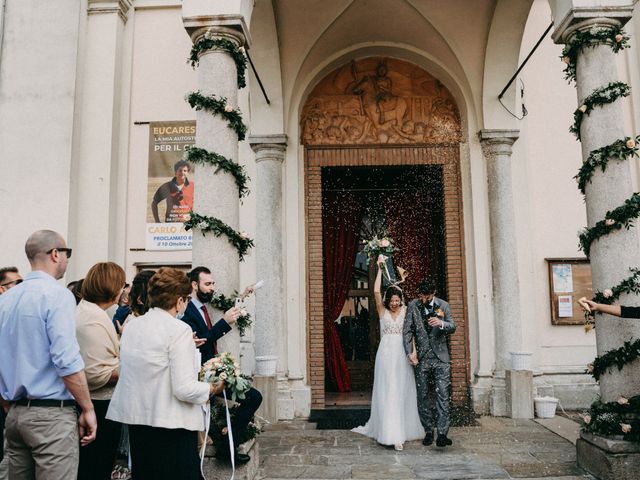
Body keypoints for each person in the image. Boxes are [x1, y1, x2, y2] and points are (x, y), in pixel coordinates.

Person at [106, 268, 223, 479]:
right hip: (171, 425)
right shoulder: (179, 330)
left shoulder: (132, 326)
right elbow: (184, 388)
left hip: (139, 424)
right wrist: (212, 388)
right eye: (186, 299)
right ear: (179, 301)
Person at [0, 229, 97, 479]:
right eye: (67, 253)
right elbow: (66, 358)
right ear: (56, 254)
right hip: (51, 414)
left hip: (15, 414)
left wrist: (9, 404)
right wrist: (87, 408)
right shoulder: (57, 295)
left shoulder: (6, 299)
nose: (66, 259)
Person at [180, 266, 262, 465]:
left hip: (214, 371)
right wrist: (224, 322)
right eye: (207, 284)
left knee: (253, 397)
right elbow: (201, 341)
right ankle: (227, 444)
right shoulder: (188, 312)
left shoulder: (202, 307)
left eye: (213, 283)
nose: (212, 288)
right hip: (202, 376)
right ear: (194, 285)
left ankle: (228, 438)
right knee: (253, 397)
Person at [352, 260, 424, 450]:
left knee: (401, 391)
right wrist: (380, 269)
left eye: (397, 300)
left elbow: (411, 334)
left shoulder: (406, 311)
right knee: (387, 390)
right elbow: (376, 291)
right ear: (387, 301)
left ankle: (402, 431)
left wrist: (413, 352)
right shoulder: (382, 310)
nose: (394, 304)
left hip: (401, 354)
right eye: (391, 301)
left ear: (401, 299)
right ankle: (390, 433)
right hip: (385, 355)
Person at [75, 262, 126, 480]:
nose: (123, 291)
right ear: (112, 287)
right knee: (96, 467)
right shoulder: (91, 320)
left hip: (101, 405)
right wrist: (131, 369)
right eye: (121, 285)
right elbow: (95, 374)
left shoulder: (93, 312)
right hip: (98, 405)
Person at [403, 278, 456, 448]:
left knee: (442, 395)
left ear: (433, 293)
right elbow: (407, 330)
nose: (423, 299)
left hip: (441, 358)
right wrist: (409, 352)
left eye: (426, 296)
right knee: (423, 395)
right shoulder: (413, 305)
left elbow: (452, 327)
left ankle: (442, 434)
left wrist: (441, 323)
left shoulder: (443, 305)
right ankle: (428, 431)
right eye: (421, 295)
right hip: (422, 359)